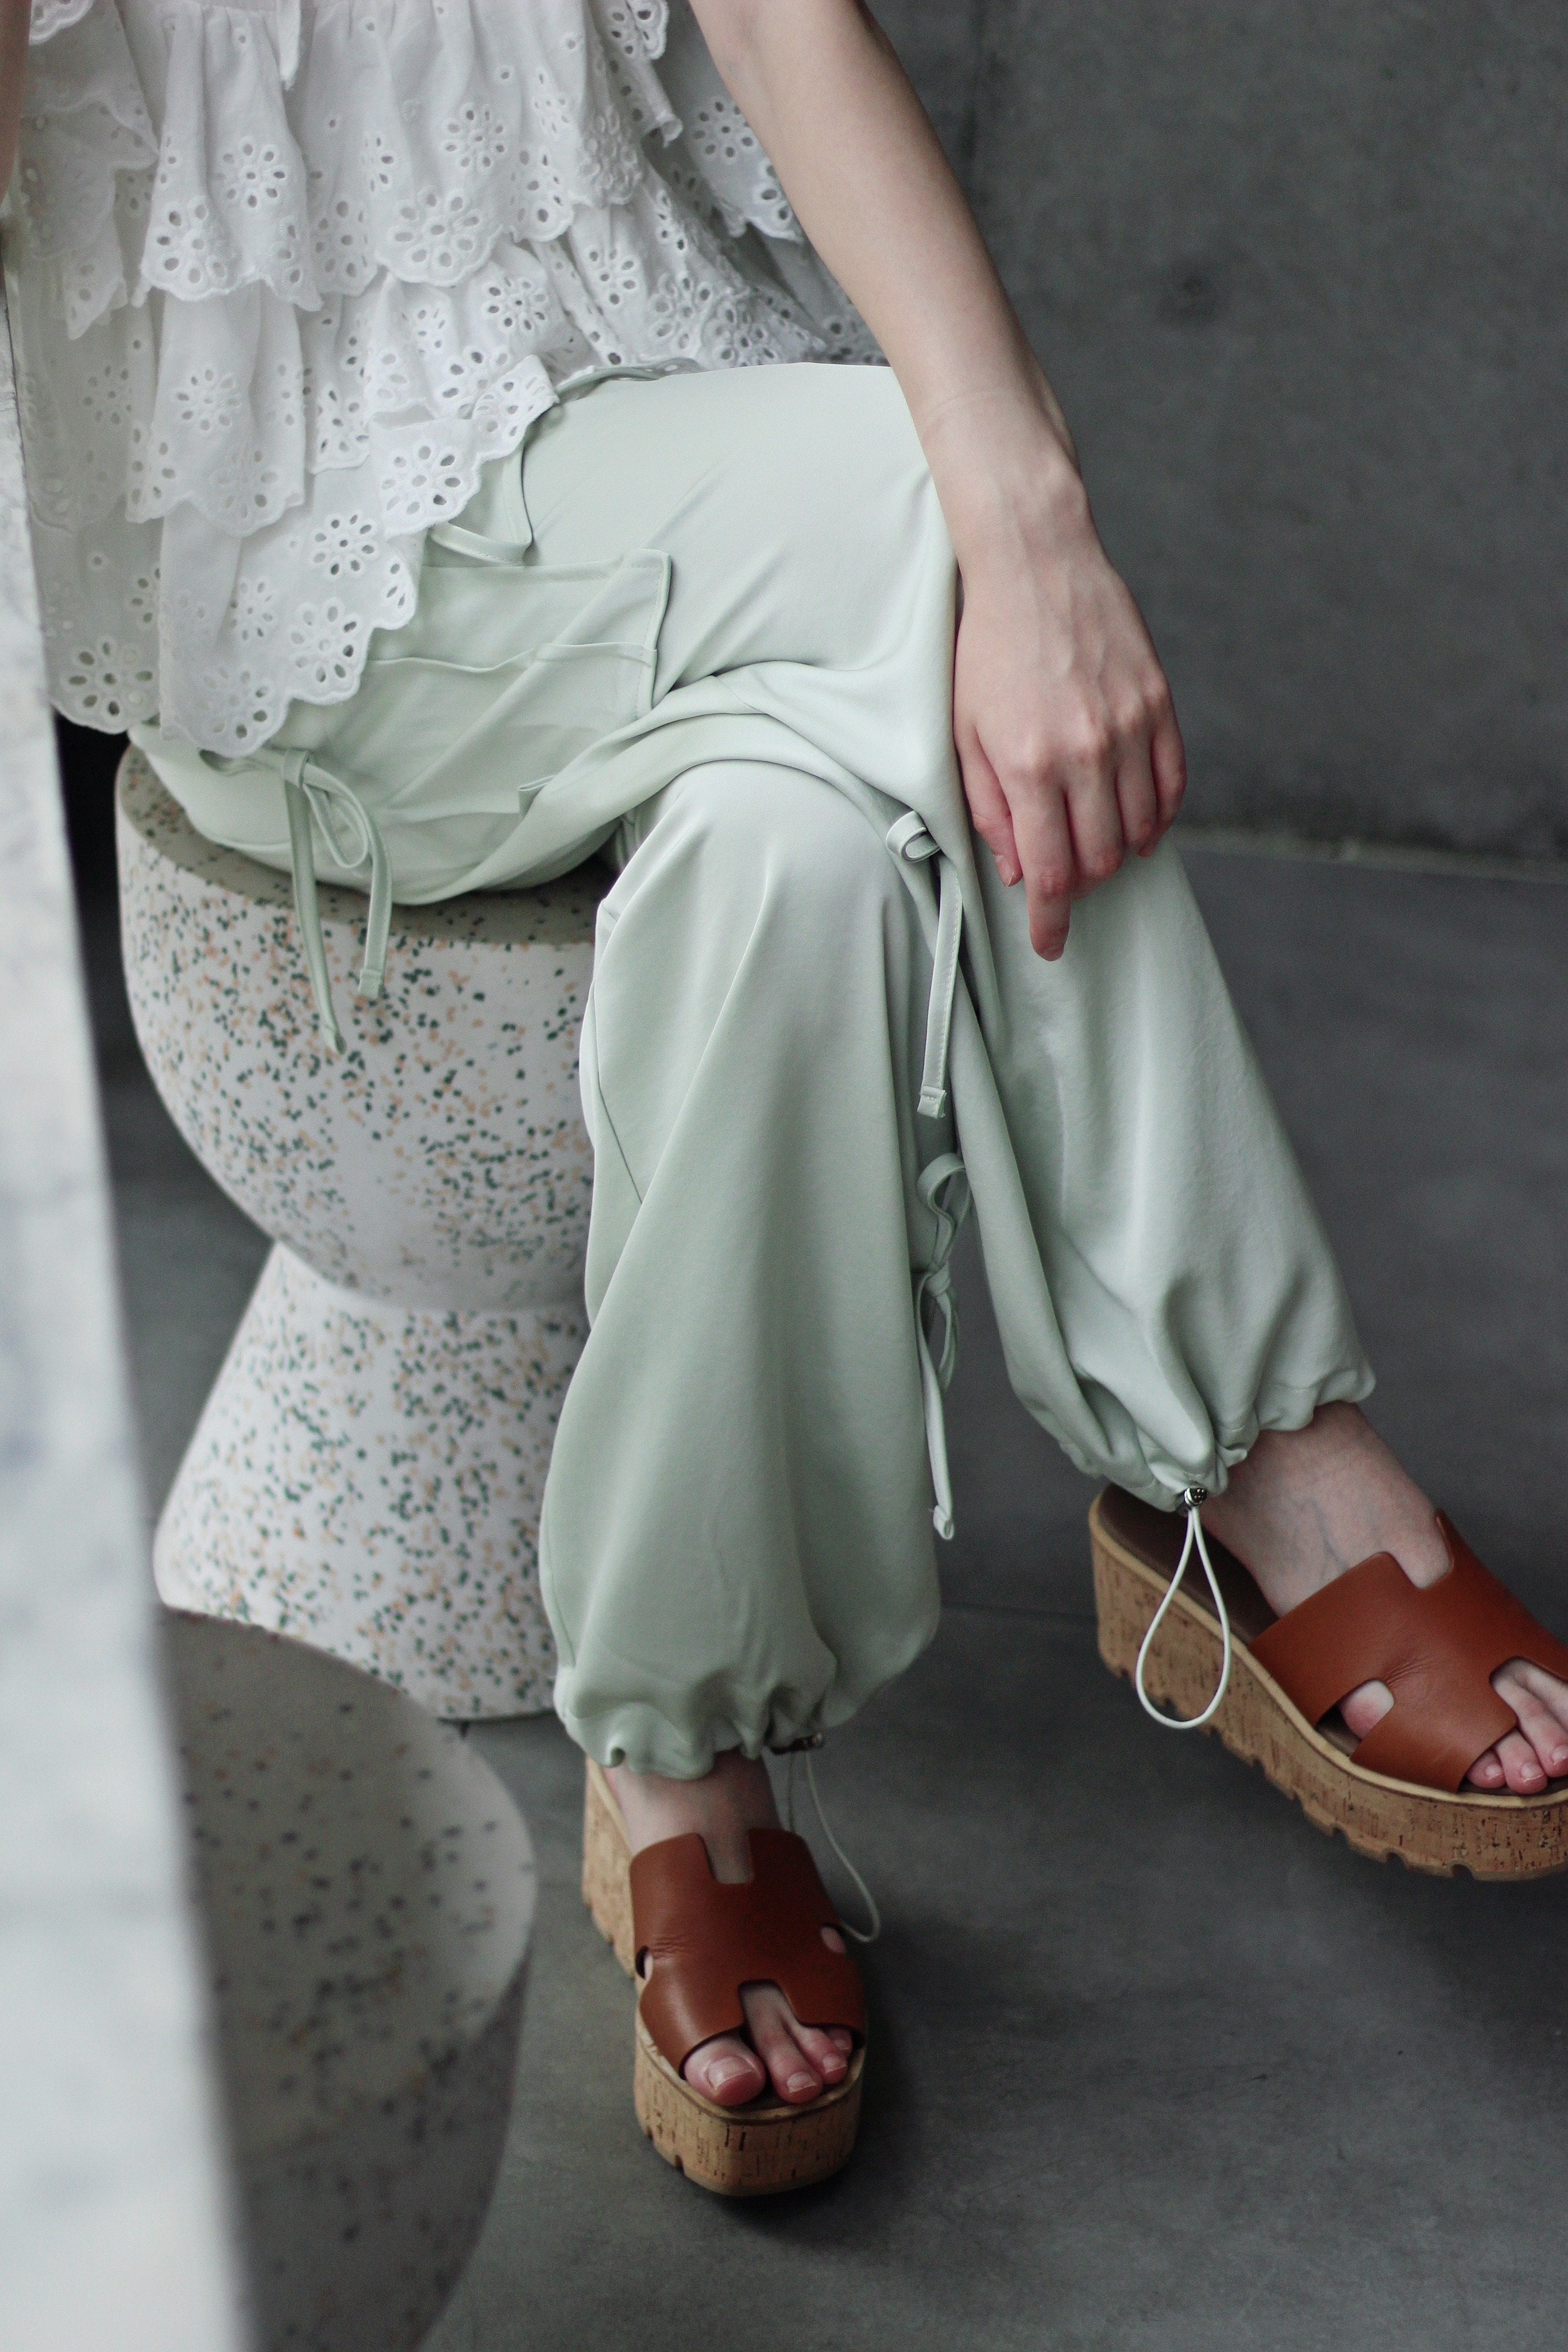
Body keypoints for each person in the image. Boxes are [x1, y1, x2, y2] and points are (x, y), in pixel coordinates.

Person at [7, 0, 1568, 2195]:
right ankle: (1257, 1455)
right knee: (937, 516)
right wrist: (1019, 530)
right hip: (317, 582)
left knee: (801, 857)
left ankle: (682, 1754)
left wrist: (1029, 531)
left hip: (650, 424)